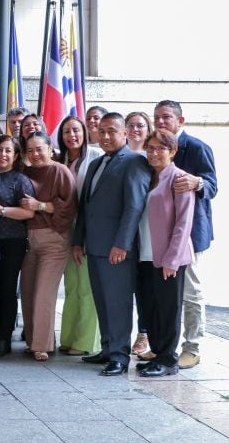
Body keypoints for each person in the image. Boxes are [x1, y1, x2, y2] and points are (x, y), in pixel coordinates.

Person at [72, 112, 151, 376]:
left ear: (125, 133)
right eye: (101, 131)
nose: (105, 136)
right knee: (103, 301)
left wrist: (122, 244)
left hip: (117, 249)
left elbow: (134, 206)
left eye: (112, 131)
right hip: (94, 246)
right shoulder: (96, 163)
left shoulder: (135, 162)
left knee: (118, 303)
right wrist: (77, 241)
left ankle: (119, 356)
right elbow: (86, 207)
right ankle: (107, 348)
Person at [153, 100, 217, 369]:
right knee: (164, 294)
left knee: (190, 291)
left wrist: (197, 182)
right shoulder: (151, 148)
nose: (160, 122)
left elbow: (212, 186)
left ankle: (192, 345)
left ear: (181, 120)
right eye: (156, 117)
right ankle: (163, 345)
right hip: (159, 235)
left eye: (166, 117)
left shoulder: (197, 147)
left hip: (190, 232)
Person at [137, 129, 195, 377]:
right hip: (144, 254)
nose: (154, 152)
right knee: (149, 307)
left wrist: (171, 260)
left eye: (160, 148)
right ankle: (157, 354)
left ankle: (168, 360)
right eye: (149, 147)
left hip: (169, 257)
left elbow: (183, 223)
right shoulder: (148, 176)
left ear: (172, 151)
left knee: (168, 309)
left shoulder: (179, 178)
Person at [17, 132, 77, 361]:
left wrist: (39, 205)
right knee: (29, 292)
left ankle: (43, 345)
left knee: (44, 293)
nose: (35, 154)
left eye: (39, 149)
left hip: (54, 239)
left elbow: (69, 207)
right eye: (30, 150)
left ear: (50, 149)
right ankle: (33, 341)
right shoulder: (26, 171)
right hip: (29, 240)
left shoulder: (60, 171)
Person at [54, 116, 102, 356]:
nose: (71, 135)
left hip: (85, 229)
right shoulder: (58, 159)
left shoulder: (96, 157)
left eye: (75, 130)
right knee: (71, 285)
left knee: (86, 287)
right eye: (66, 132)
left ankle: (85, 342)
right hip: (63, 227)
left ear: (84, 132)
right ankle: (69, 336)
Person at [0, 135, 35, 357]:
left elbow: (28, 212)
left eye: (8, 151)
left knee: (6, 290)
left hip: (11, 242)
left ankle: (4, 339)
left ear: (16, 156)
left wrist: (1, 210)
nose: (2, 154)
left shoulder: (20, 180)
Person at [123, 110, 154, 357]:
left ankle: (144, 332)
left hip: (146, 229)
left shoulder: (152, 157)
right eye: (131, 124)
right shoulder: (116, 157)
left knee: (144, 286)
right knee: (126, 285)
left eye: (140, 125)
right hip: (122, 230)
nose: (135, 129)